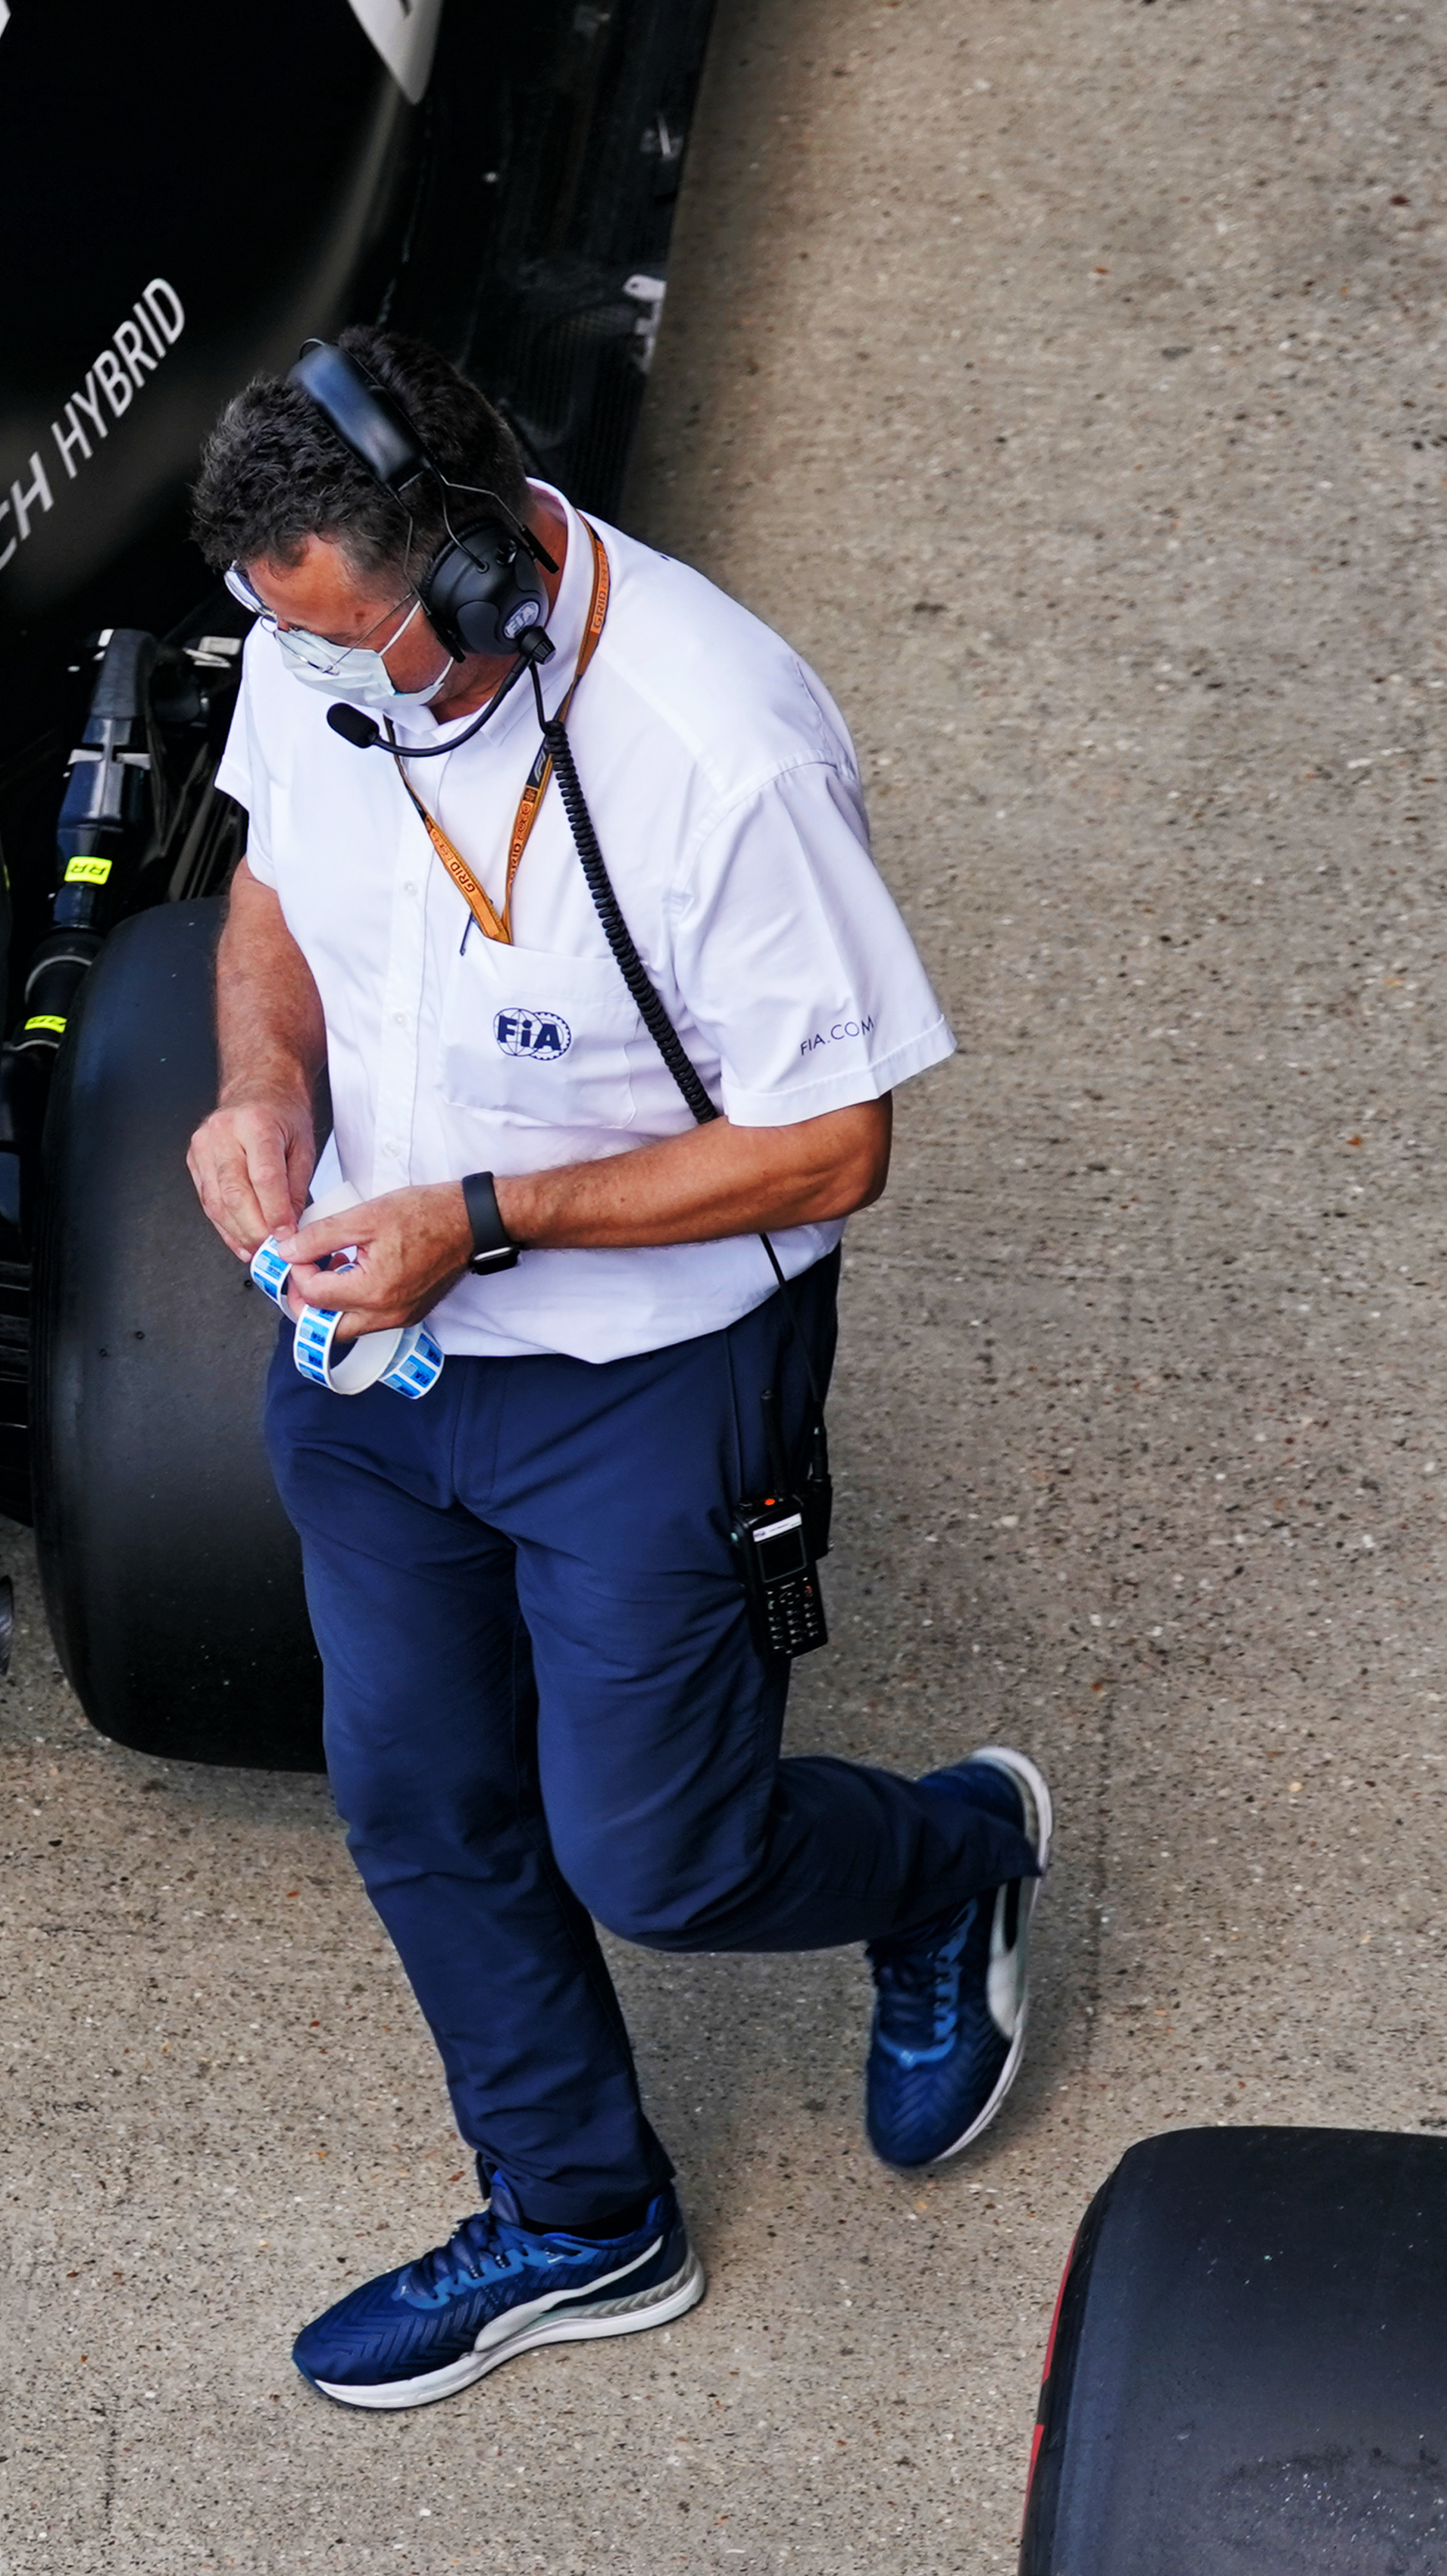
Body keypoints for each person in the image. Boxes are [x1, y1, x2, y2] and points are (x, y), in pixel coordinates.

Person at [181, 327, 1050, 2413]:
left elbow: (835, 1142)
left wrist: (478, 1218)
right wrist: (258, 1089)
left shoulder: (714, 745)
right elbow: (275, 888)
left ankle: (952, 1865)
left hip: (645, 1387)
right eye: (286, 634)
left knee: (660, 1857)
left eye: (367, 640)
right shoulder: (319, 640)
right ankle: (582, 2218)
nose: (330, 678)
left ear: (474, 562)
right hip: (376, 1360)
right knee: (413, 1792)